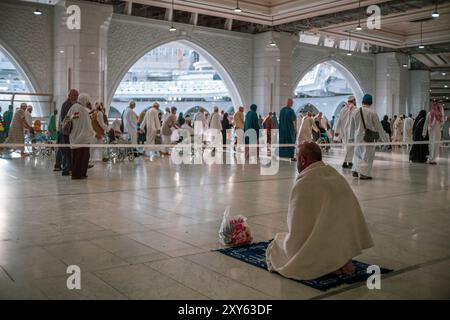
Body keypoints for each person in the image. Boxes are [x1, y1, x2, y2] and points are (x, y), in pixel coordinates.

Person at [266, 141, 373, 280]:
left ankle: (325, 261)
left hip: (319, 248)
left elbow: (297, 229)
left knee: (277, 246)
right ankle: (337, 260)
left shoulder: (304, 183)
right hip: (342, 247)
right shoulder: (336, 176)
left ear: (303, 160)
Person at [351, 94, 388, 180]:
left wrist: (351, 138)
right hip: (368, 138)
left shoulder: (355, 111)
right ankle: (364, 174)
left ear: (362, 101)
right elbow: (379, 127)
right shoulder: (372, 112)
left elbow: (351, 126)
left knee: (357, 154)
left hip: (357, 137)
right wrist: (384, 139)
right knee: (367, 155)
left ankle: (355, 170)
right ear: (371, 102)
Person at [67, 93, 95, 179]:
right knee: (83, 157)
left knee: (75, 157)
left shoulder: (73, 107)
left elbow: (68, 119)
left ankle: (75, 174)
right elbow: (87, 125)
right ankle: (81, 173)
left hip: (74, 137)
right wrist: (92, 133)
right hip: (83, 138)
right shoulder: (82, 110)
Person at [56, 89, 79, 175]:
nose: (76, 97)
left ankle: (68, 168)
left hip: (68, 133)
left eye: (77, 95)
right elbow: (65, 120)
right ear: (69, 95)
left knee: (67, 151)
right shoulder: (66, 105)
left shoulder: (74, 104)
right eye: (74, 95)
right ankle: (66, 169)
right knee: (65, 151)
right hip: (65, 132)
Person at [334, 96, 357, 168]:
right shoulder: (355, 109)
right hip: (351, 131)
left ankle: (349, 162)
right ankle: (345, 162)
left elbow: (339, 120)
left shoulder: (343, 109)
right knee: (350, 147)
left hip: (344, 132)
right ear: (353, 101)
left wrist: (337, 131)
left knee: (347, 147)